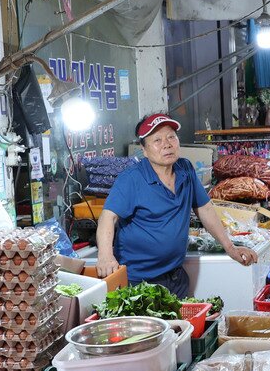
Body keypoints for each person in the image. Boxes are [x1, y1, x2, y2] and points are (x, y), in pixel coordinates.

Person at [95, 113, 257, 295]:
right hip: (138, 282)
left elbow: (204, 209)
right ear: (144, 150)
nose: (167, 144)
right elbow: (108, 217)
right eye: (157, 140)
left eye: (171, 137)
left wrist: (230, 247)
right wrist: (105, 256)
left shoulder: (185, 169)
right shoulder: (131, 179)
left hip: (175, 278)